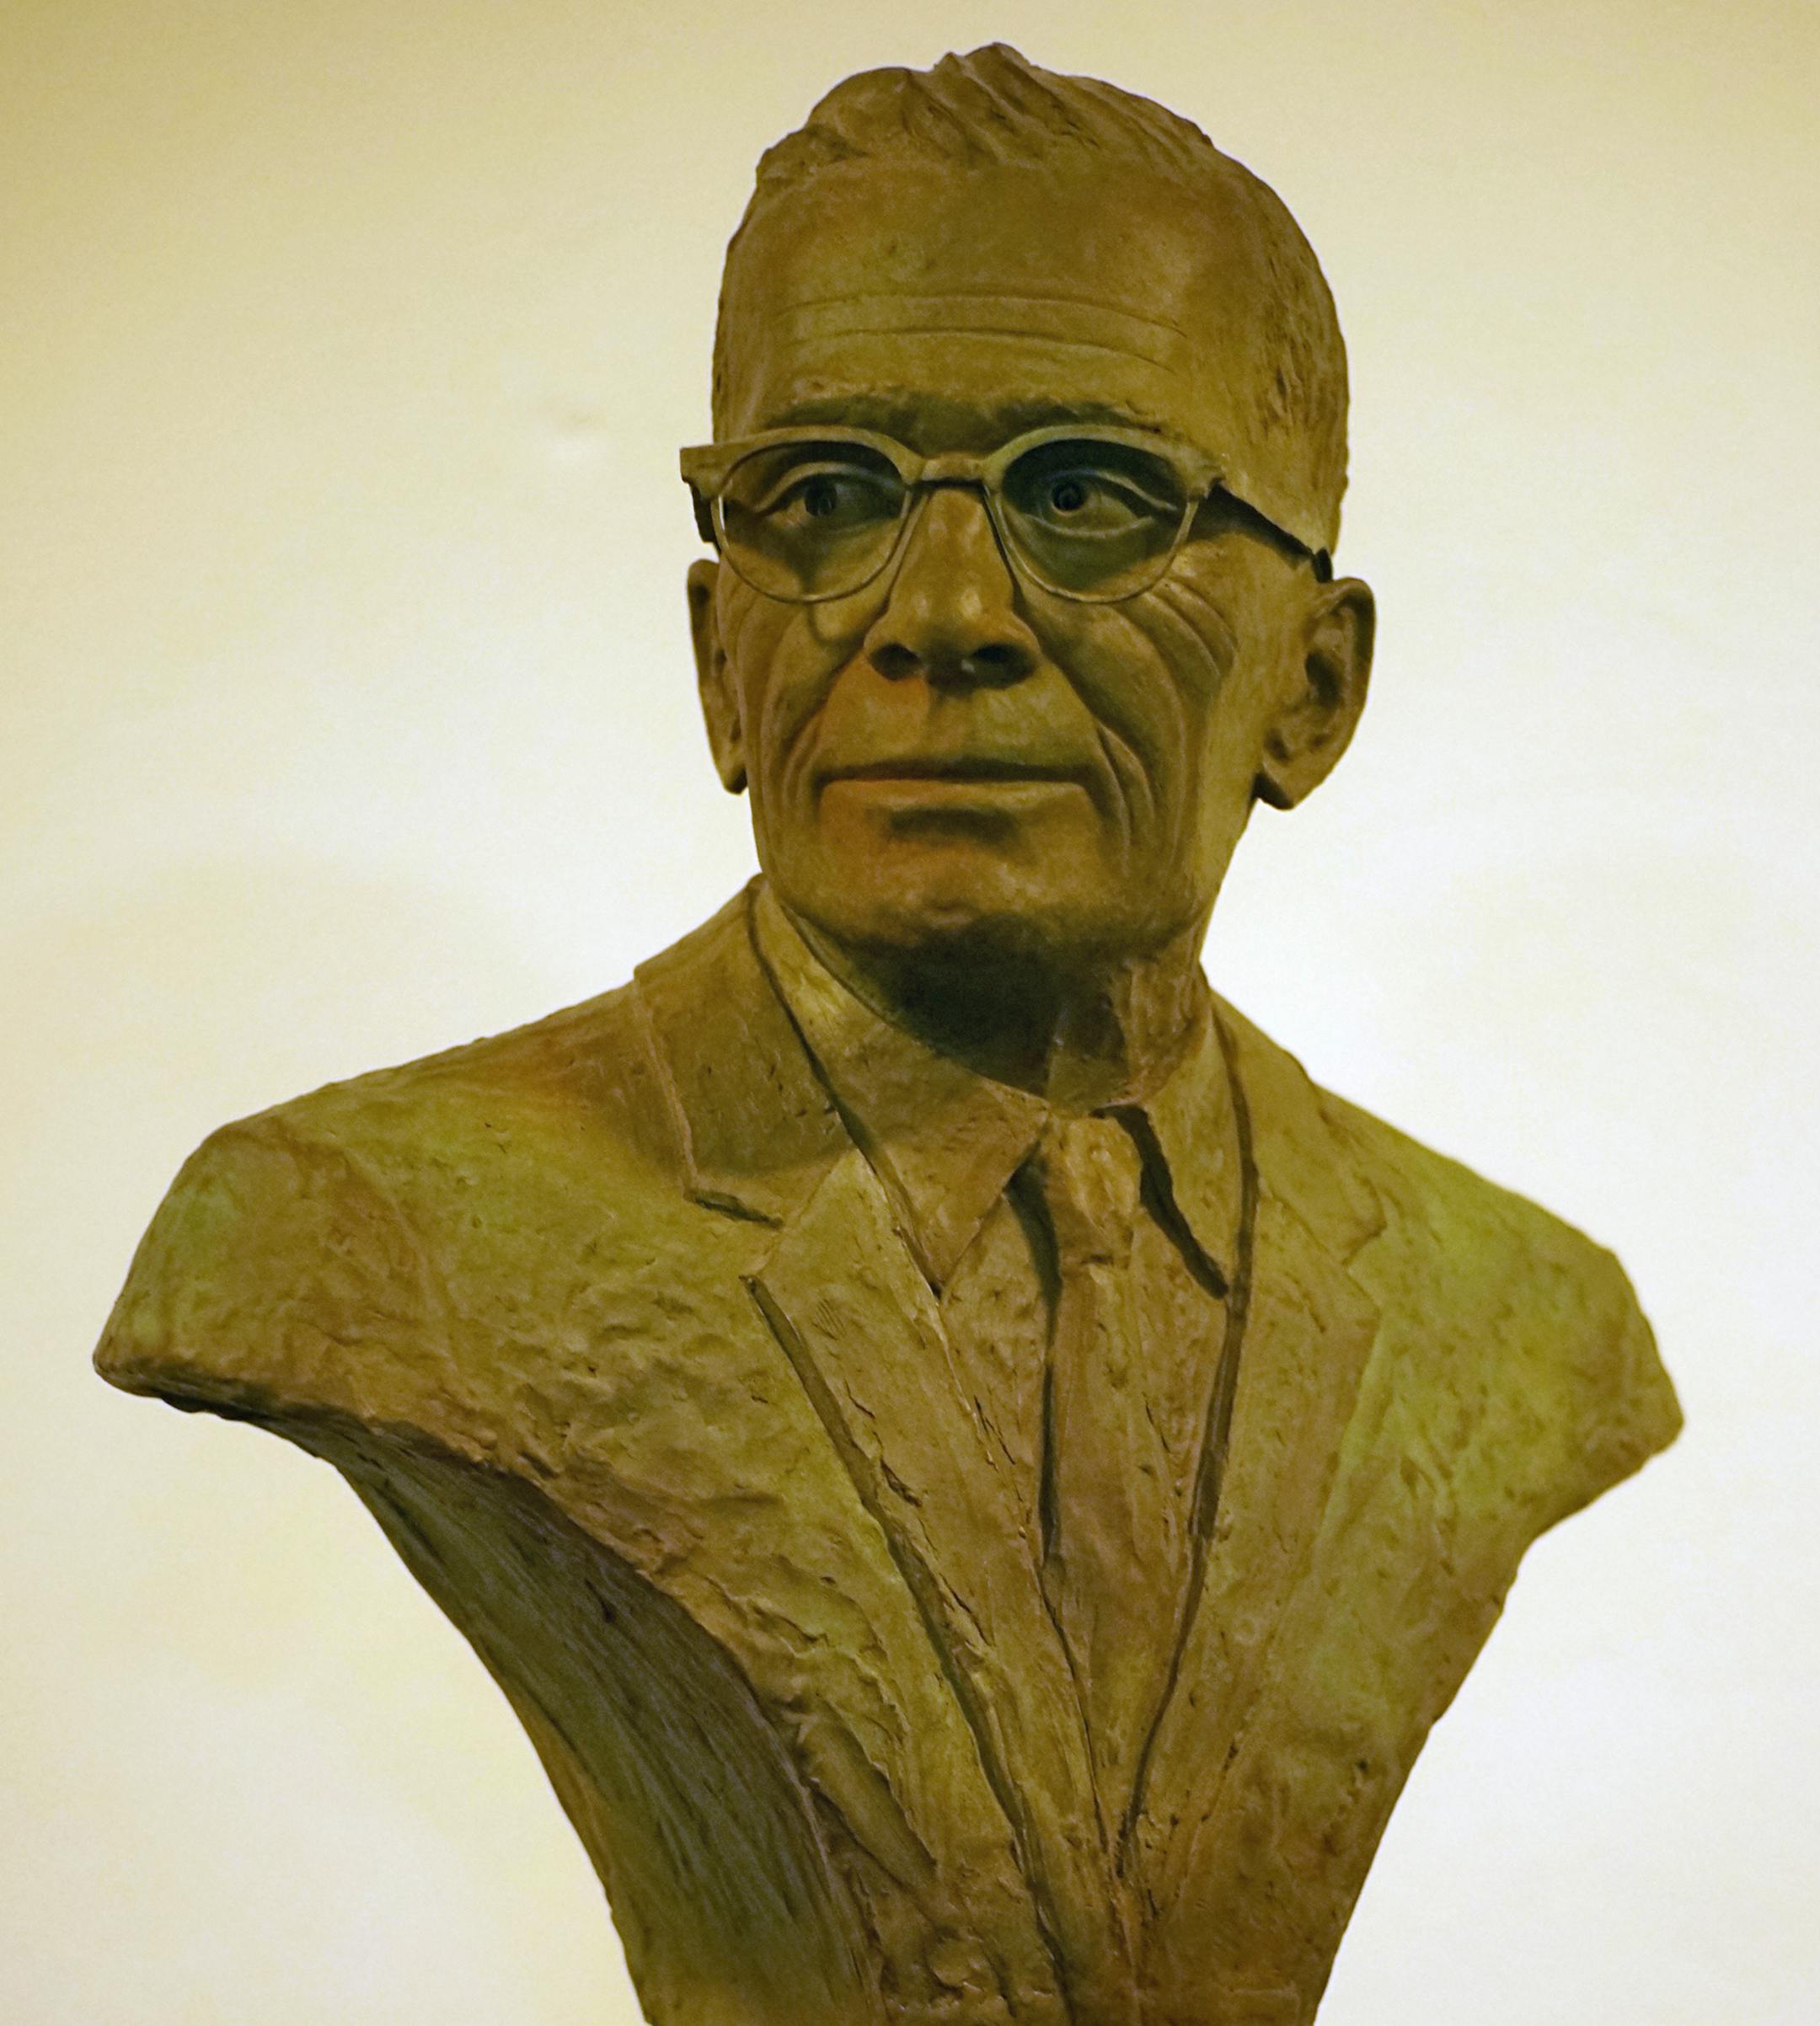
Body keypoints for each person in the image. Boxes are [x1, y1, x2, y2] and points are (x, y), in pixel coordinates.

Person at [96, 45, 1680, 2026]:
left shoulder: (1515, 1317)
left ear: (1316, 688)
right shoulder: (350, 1236)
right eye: (822, 498)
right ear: (716, 665)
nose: (938, 611)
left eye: (1088, 497)